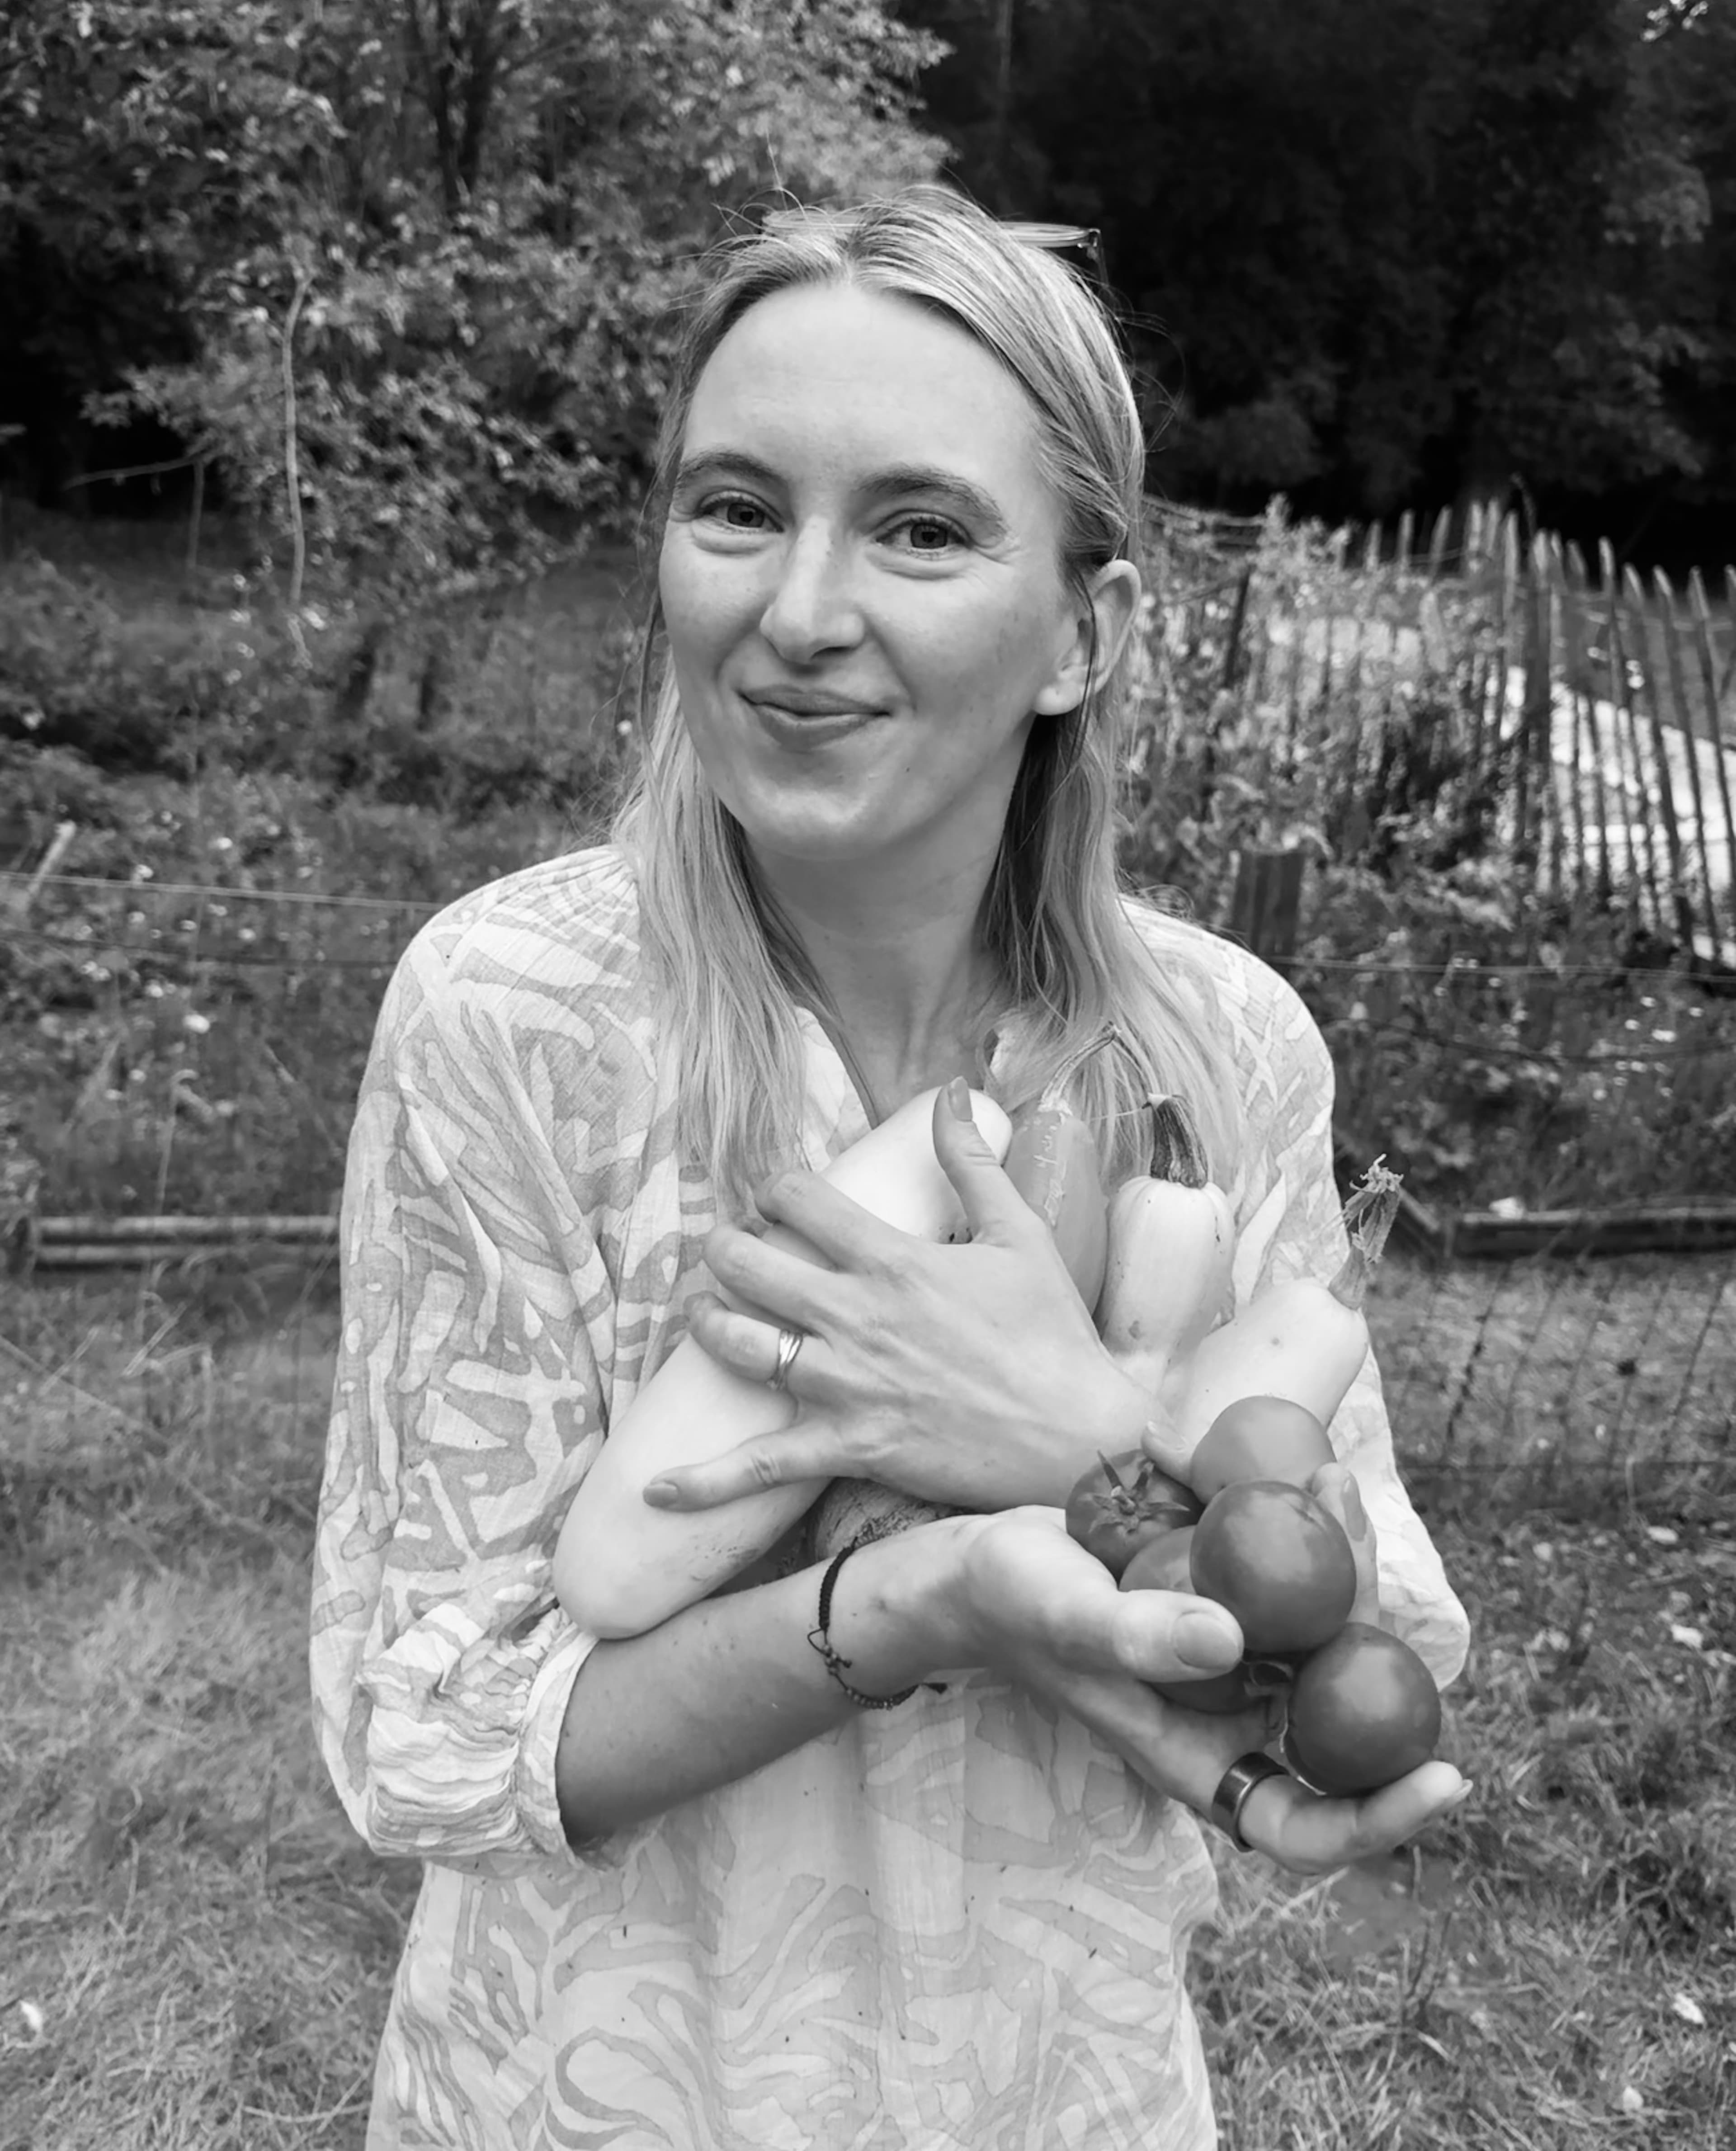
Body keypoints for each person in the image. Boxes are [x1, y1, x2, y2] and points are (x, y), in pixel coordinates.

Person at [311, 184, 1470, 2151]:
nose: (798, 610)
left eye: (920, 528)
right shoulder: (510, 1016)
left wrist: (1069, 1434)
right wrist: (916, 1594)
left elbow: (1363, 1661)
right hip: (605, 2085)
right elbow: (421, 1729)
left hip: (1058, 2079)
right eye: (736, 506)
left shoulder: (1223, 1048)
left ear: (1079, 633)